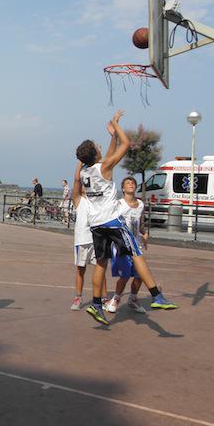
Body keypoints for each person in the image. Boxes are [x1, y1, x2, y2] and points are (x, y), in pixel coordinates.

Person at [76, 110, 176, 326]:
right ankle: (156, 296)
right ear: (95, 153)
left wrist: (111, 137)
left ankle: (96, 304)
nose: (100, 147)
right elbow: (127, 143)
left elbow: (107, 157)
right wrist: (115, 124)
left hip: (96, 224)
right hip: (112, 221)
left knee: (100, 264)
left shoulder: (85, 172)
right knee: (136, 253)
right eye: (97, 146)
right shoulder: (104, 167)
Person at [105, 177, 151, 314]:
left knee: (140, 275)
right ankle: (116, 299)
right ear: (123, 189)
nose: (131, 184)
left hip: (136, 245)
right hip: (123, 245)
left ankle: (133, 299)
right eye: (127, 183)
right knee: (125, 275)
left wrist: (144, 233)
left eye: (133, 183)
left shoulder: (140, 204)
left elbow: (140, 223)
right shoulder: (118, 204)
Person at [70, 171, 97, 311]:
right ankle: (78, 297)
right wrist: (81, 163)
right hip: (82, 240)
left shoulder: (98, 202)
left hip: (96, 239)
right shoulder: (79, 200)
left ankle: (101, 298)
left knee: (100, 270)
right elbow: (76, 181)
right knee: (81, 269)